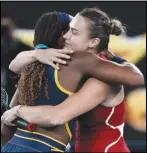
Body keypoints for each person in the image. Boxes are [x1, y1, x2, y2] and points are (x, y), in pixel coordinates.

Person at [1, 8, 144, 152]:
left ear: (93, 42)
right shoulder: (71, 66)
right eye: (67, 30)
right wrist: (37, 53)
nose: (66, 36)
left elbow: (57, 116)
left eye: (74, 32)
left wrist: (18, 111)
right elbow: (14, 66)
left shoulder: (101, 78)